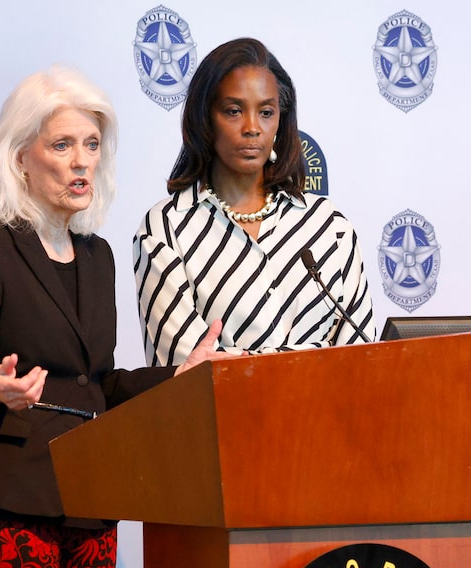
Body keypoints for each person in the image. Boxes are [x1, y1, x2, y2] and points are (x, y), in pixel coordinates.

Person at [0, 66, 229, 568]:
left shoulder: (96, 255)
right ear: (20, 156)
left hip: (87, 509)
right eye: (62, 145)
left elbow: (94, 383)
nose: (81, 161)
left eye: (91, 144)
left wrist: (179, 376)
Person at [135, 38, 374, 366]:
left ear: (280, 121)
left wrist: (240, 360)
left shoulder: (329, 225)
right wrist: (316, 356)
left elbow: (364, 359)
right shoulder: (166, 227)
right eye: (234, 111)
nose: (252, 128)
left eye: (265, 112)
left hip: (329, 402)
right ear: (205, 119)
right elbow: (185, 369)